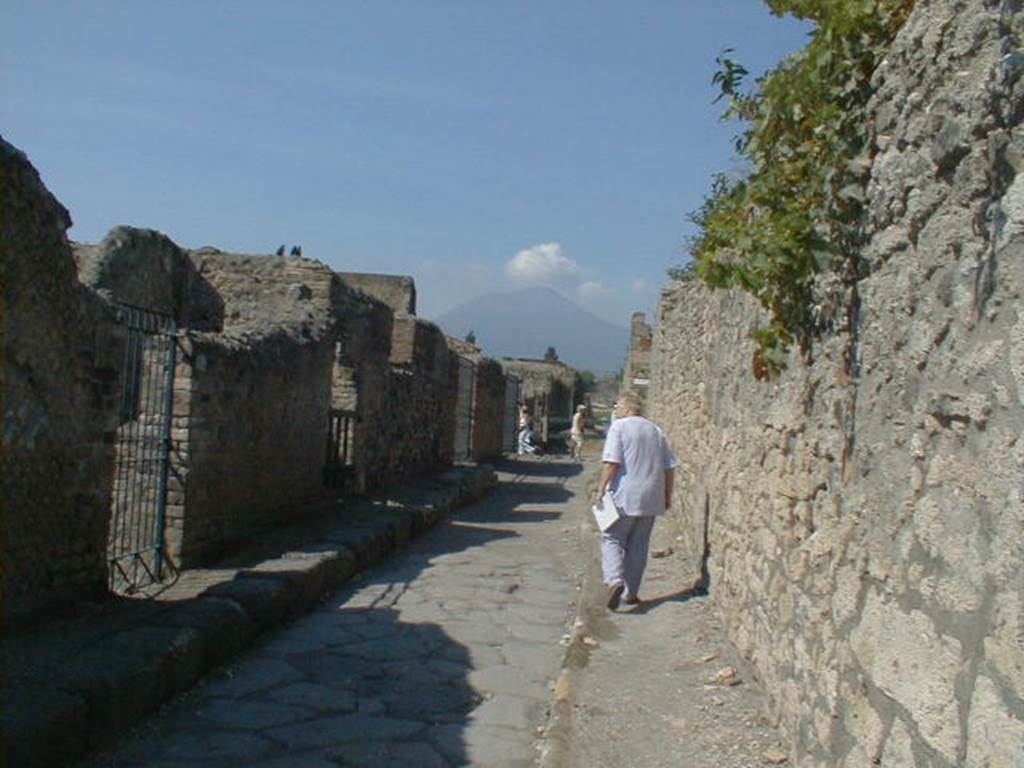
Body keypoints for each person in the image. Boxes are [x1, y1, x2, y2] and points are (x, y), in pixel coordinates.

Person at [593, 392, 677, 610]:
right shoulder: (656, 431)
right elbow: (669, 467)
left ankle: (614, 580)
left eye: (618, 406)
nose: (616, 410)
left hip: (625, 494)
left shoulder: (619, 427)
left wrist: (601, 488)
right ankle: (631, 592)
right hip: (651, 497)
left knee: (612, 537)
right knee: (639, 545)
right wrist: (667, 495)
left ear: (628, 407)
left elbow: (612, 462)